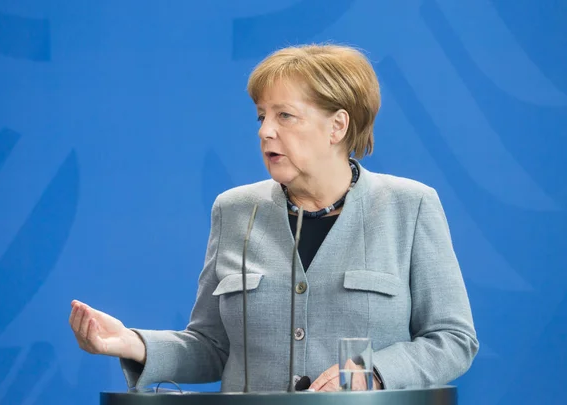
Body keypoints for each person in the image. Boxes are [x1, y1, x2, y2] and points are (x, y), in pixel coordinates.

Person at [69, 43, 479, 392]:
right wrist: (131, 343)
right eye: (261, 116)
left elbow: (453, 339)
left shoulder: (410, 206)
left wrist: (375, 371)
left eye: (285, 116)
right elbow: (213, 346)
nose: (265, 131)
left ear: (337, 126)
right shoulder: (234, 210)